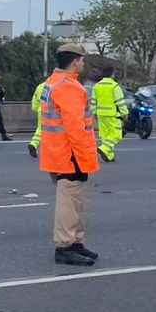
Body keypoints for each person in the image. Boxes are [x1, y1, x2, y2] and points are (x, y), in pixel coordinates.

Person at [38, 43, 100, 266]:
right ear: (75, 62)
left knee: (73, 200)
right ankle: (65, 246)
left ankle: (75, 242)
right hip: (70, 153)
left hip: (57, 151)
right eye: (82, 60)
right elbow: (75, 127)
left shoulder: (53, 83)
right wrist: (85, 157)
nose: (83, 64)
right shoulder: (69, 87)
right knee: (69, 200)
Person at [92, 63, 129, 162]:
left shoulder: (97, 86)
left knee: (106, 135)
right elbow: (120, 102)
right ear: (112, 74)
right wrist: (125, 113)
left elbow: (93, 100)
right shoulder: (114, 86)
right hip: (113, 115)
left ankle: (109, 156)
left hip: (100, 114)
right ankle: (104, 149)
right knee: (116, 134)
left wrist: (94, 112)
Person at [27, 79, 46, 159]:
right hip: (52, 112)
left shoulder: (40, 86)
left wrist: (36, 109)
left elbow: (34, 101)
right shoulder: (56, 86)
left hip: (41, 110)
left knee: (40, 129)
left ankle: (33, 144)